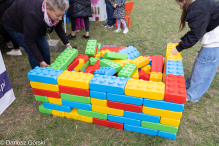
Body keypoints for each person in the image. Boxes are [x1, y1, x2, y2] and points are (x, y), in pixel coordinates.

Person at [171, 0, 219, 102]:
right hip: (215, 36)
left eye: (180, 4)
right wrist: (184, 39)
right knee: (201, 63)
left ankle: (192, 95)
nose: (180, 8)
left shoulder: (197, 9)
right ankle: (189, 83)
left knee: (204, 65)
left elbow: (196, 33)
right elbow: (197, 28)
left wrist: (180, 47)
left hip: (215, 40)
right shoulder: (198, 5)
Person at [2, 0, 72, 69]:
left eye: (62, 15)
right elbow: (29, 41)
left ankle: (47, 69)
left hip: (31, 22)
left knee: (45, 48)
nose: (60, 18)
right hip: (14, 23)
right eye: (58, 15)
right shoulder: (34, 16)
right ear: (47, 8)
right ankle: (37, 77)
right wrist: (41, 60)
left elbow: (59, 28)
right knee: (32, 53)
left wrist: (67, 44)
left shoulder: (56, 11)